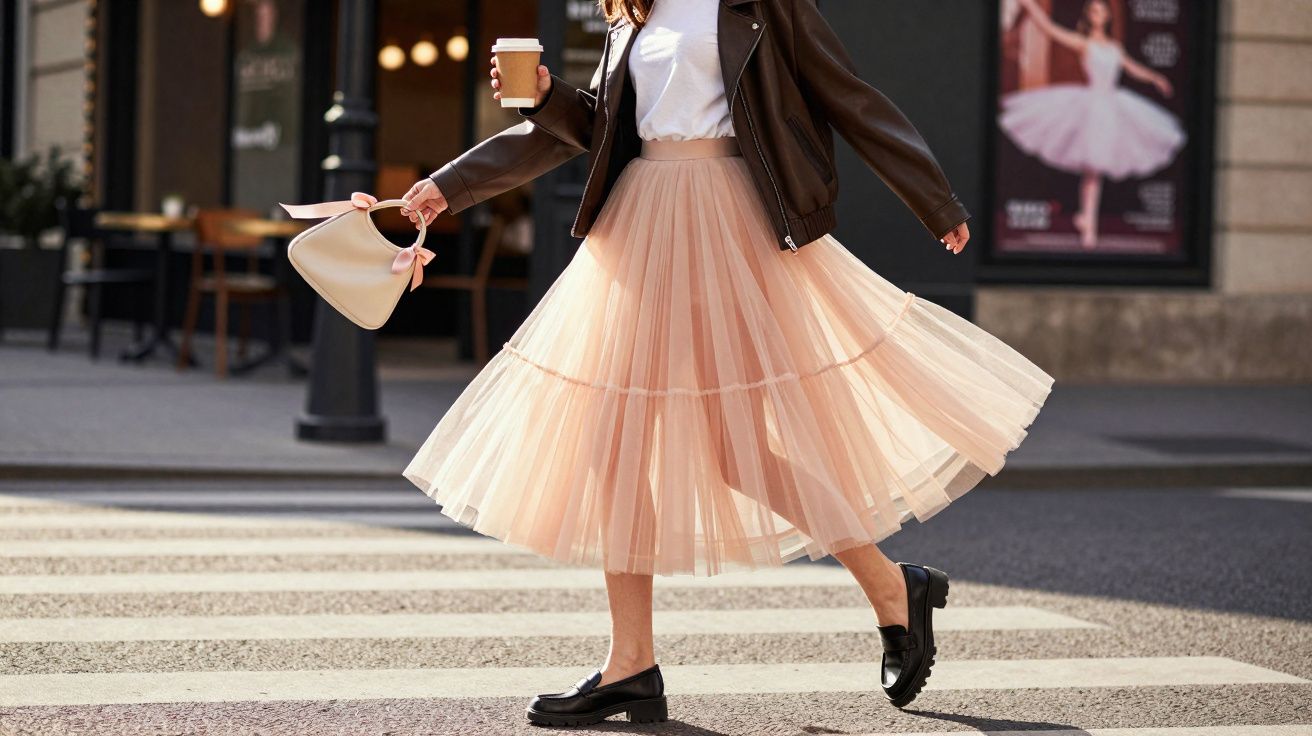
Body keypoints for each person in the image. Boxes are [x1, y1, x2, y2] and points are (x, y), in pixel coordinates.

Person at [400, 0, 1054, 725]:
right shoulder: (630, 14)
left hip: (727, 226)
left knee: (734, 450)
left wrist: (933, 199)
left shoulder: (760, 5)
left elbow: (850, 96)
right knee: (612, 444)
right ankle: (631, 665)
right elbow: (598, 129)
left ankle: (893, 589)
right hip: (637, 226)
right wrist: (466, 171)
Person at [999, 0, 1186, 248]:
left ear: (1107, 15)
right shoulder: (1084, 42)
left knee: (1095, 171)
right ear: (1089, 16)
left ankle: (1086, 219)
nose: (1097, 14)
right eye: (1093, 11)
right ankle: (1088, 224)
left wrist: (1155, 78)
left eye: (1101, 10)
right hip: (1093, 105)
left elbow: (1132, 68)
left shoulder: (1115, 47)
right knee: (1093, 171)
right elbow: (1049, 29)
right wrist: (1030, 6)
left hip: (1111, 106)